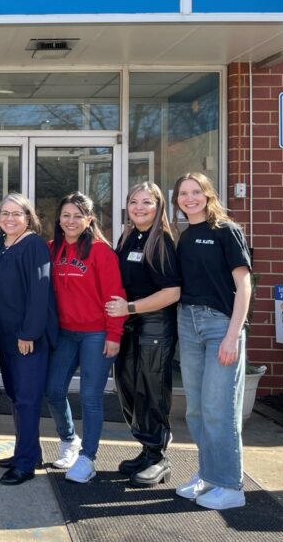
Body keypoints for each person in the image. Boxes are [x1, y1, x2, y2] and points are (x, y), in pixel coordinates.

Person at [170, 172, 252, 510]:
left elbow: (245, 286)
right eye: (183, 194)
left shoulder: (226, 231)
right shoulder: (186, 236)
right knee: (198, 410)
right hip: (188, 325)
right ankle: (208, 475)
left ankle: (231, 486)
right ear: (177, 200)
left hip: (220, 325)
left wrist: (233, 335)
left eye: (195, 192)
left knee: (220, 410)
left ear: (208, 195)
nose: (190, 199)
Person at [45, 192, 126, 484]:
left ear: (89, 219)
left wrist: (114, 334)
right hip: (65, 334)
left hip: (96, 333)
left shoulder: (101, 252)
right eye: (66, 215)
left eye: (78, 216)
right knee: (53, 390)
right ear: (59, 218)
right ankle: (69, 441)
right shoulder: (51, 249)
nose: (71, 221)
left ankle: (88, 458)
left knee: (91, 397)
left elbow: (115, 296)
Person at [104, 182, 181, 487]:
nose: (139, 207)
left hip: (154, 324)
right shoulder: (128, 237)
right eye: (134, 202)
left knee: (151, 389)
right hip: (130, 323)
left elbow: (172, 292)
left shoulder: (161, 241)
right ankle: (146, 448)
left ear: (159, 206)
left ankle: (159, 457)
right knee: (128, 385)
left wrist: (130, 307)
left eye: (146, 202)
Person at [0, 193, 58, 486]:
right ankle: (26, 451)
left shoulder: (35, 246)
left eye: (17, 213)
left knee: (27, 399)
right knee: (15, 395)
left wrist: (29, 333)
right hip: (4, 334)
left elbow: (40, 293)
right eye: (5, 214)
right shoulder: (0, 245)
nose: (10, 218)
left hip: (27, 337)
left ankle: (26, 465)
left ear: (29, 217)